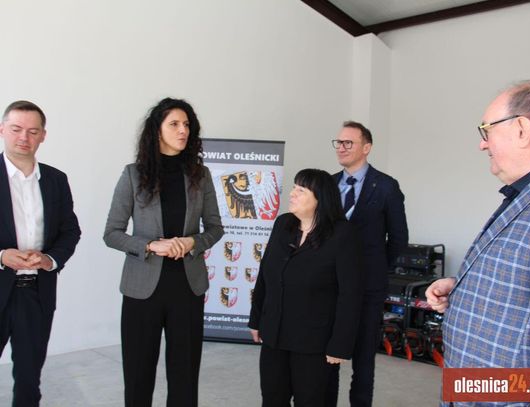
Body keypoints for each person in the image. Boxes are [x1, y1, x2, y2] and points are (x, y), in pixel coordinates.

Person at [103, 98, 224, 407]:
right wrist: (149, 245)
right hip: (142, 289)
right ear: (157, 130)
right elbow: (112, 233)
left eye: (187, 125)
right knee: (138, 375)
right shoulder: (133, 175)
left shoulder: (200, 175)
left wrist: (192, 242)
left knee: (185, 377)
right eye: (174, 124)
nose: (183, 130)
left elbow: (215, 228)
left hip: (187, 287)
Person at [426, 81, 530, 406]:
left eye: (486, 130)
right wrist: (464, 287)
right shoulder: (524, 196)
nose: (482, 144)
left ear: (521, 129)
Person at [248, 168, 364, 407]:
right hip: (274, 334)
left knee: (312, 400)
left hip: (315, 342)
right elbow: (265, 276)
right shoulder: (283, 224)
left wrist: (341, 344)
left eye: (301, 190)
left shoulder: (342, 234)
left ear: (321, 198)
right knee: (272, 398)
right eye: (294, 188)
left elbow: (350, 295)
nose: (292, 194)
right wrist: (256, 319)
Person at [0, 100, 81, 406]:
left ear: (43, 136)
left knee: (29, 379)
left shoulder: (56, 180)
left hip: (36, 292)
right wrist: (1, 256)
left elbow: (70, 231)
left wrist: (50, 260)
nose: (24, 137)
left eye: (33, 131)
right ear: (2, 130)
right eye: (16, 129)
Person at [326, 121, 408, 407]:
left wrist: (375, 267)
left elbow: (398, 238)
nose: (341, 148)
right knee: (328, 354)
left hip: (368, 286)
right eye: (338, 142)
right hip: (329, 285)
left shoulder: (386, 186)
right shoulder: (328, 185)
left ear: (366, 147)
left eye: (348, 143)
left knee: (363, 359)